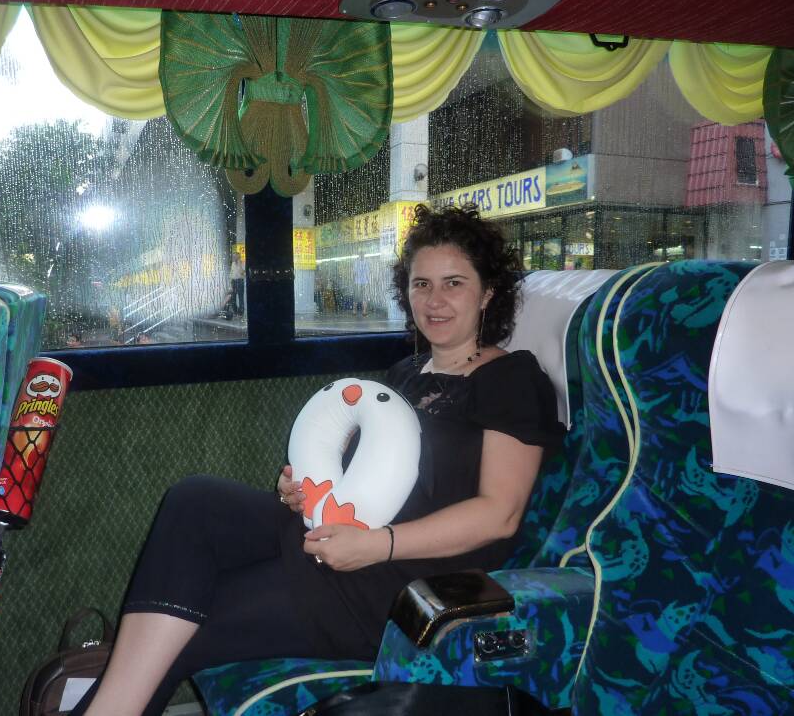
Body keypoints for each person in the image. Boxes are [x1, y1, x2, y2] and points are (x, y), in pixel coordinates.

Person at [71, 203, 563, 716]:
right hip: (345, 542)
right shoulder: (405, 373)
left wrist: (377, 545)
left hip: (405, 585)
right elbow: (363, 481)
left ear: (487, 292)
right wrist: (304, 490)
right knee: (195, 501)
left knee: (190, 626)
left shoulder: (511, 379)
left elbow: (499, 514)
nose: (434, 300)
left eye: (453, 283)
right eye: (422, 284)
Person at [353, 250, 370, 316]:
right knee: (360, 296)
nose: (362, 255)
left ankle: (358, 311)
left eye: (362, 254)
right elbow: (368, 272)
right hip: (361, 282)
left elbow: (354, 273)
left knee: (360, 297)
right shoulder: (359, 262)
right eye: (361, 254)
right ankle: (361, 311)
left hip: (360, 282)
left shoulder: (357, 262)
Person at [229, 250, 245, 316]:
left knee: (240, 297)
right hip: (233, 281)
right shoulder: (232, 263)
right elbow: (231, 273)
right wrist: (230, 283)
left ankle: (241, 312)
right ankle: (235, 311)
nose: (233, 257)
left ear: (238, 257)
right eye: (233, 256)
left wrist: (239, 264)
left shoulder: (242, 263)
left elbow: (242, 273)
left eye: (234, 256)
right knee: (233, 297)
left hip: (240, 281)